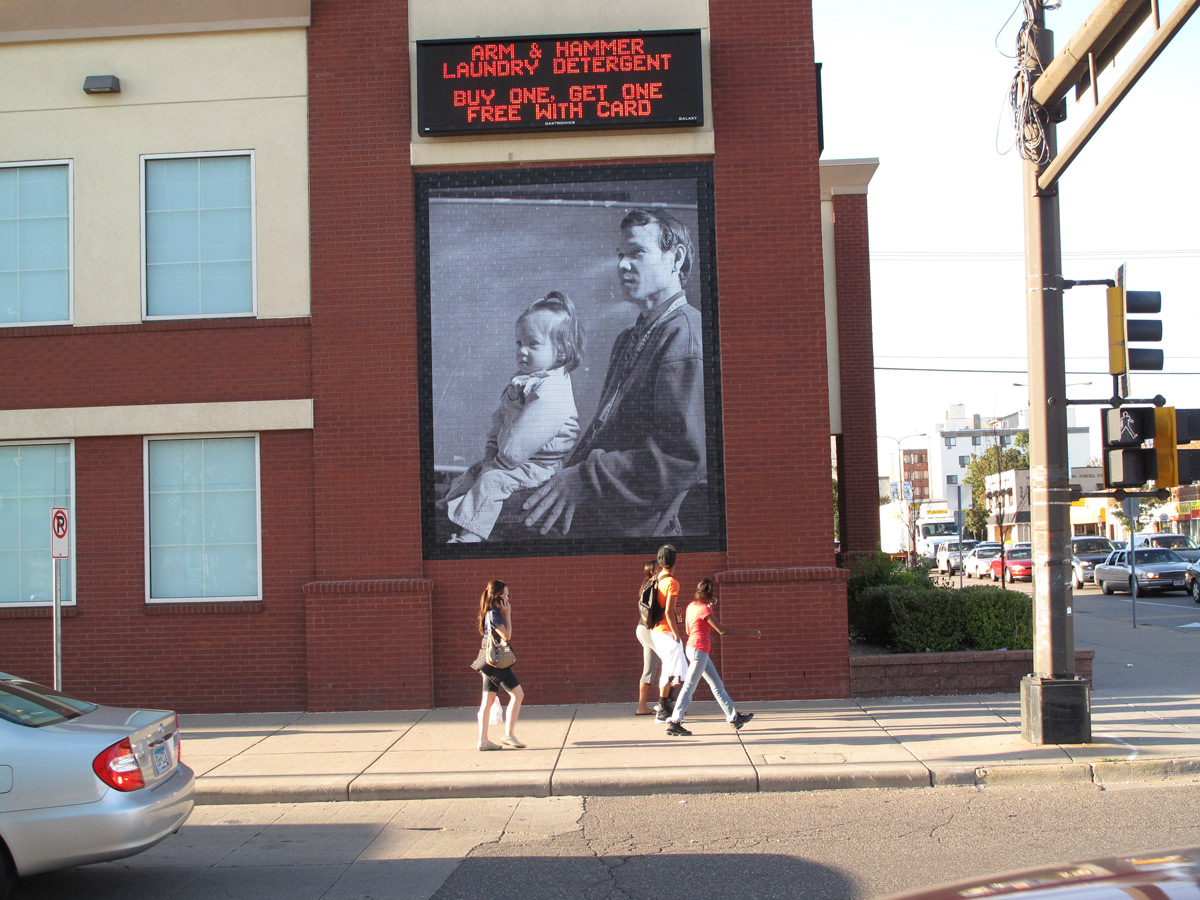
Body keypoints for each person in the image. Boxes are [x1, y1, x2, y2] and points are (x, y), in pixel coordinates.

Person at [522, 208, 706, 538]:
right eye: (621, 254)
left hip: (631, 530)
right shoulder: (629, 338)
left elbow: (681, 459)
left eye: (636, 252)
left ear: (676, 258)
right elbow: (604, 432)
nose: (622, 265)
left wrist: (581, 479)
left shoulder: (685, 337)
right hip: (599, 513)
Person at [441, 292, 583, 542]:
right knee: (475, 472)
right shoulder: (524, 380)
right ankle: (449, 510)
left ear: (561, 352)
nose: (522, 351)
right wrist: (490, 451)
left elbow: (525, 437)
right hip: (512, 458)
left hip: (538, 466)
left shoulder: (553, 391)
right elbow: (502, 418)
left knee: (491, 482)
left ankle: (471, 535)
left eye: (533, 344)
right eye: (519, 343)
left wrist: (499, 462)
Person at [665, 578, 759, 737]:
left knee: (716, 684)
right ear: (709, 594)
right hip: (699, 651)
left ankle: (733, 716)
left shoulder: (691, 606)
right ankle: (674, 721)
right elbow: (721, 630)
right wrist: (750, 633)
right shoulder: (704, 610)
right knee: (689, 687)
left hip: (694, 649)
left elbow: (688, 630)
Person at [469, 580, 525, 750]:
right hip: (495, 663)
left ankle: (499, 736)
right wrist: (508, 614)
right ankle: (489, 738)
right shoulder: (494, 614)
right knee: (493, 700)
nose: (508, 598)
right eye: (506, 595)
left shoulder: (492, 613)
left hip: (495, 662)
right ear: (499, 598)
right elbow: (506, 635)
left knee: (512, 695)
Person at [649, 544, 688, 722]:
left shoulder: (656, 579)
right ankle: (663, 707)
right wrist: (677, 634)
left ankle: (667, 703)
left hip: (656, 629)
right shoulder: (672, 583)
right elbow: (669, 612)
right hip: (666, 631)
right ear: (675, 561)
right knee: (670, 668)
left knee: (673, 667)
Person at [635, 559, 662, 715]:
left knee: (649, 669)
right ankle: (665, 705)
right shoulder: (653, 586)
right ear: (652, 571)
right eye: (658, 567)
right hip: (648, 630)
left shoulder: (646, 586)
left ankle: (642, 707)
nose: (661, 569)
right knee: (671, 662)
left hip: (644, 629)